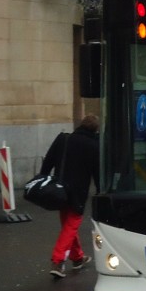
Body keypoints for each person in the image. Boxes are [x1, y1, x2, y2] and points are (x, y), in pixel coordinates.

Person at [40, 113, 100, 279]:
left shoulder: (63, 139)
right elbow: (97, 173)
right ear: (95, 130)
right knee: (71, 225)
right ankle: (58, 261)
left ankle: (77, 257)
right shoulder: (94, 145)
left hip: (59, 190)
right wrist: (101, 192)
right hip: (78, 192)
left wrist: (42, 179)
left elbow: (48, 161)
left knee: (68, 225)